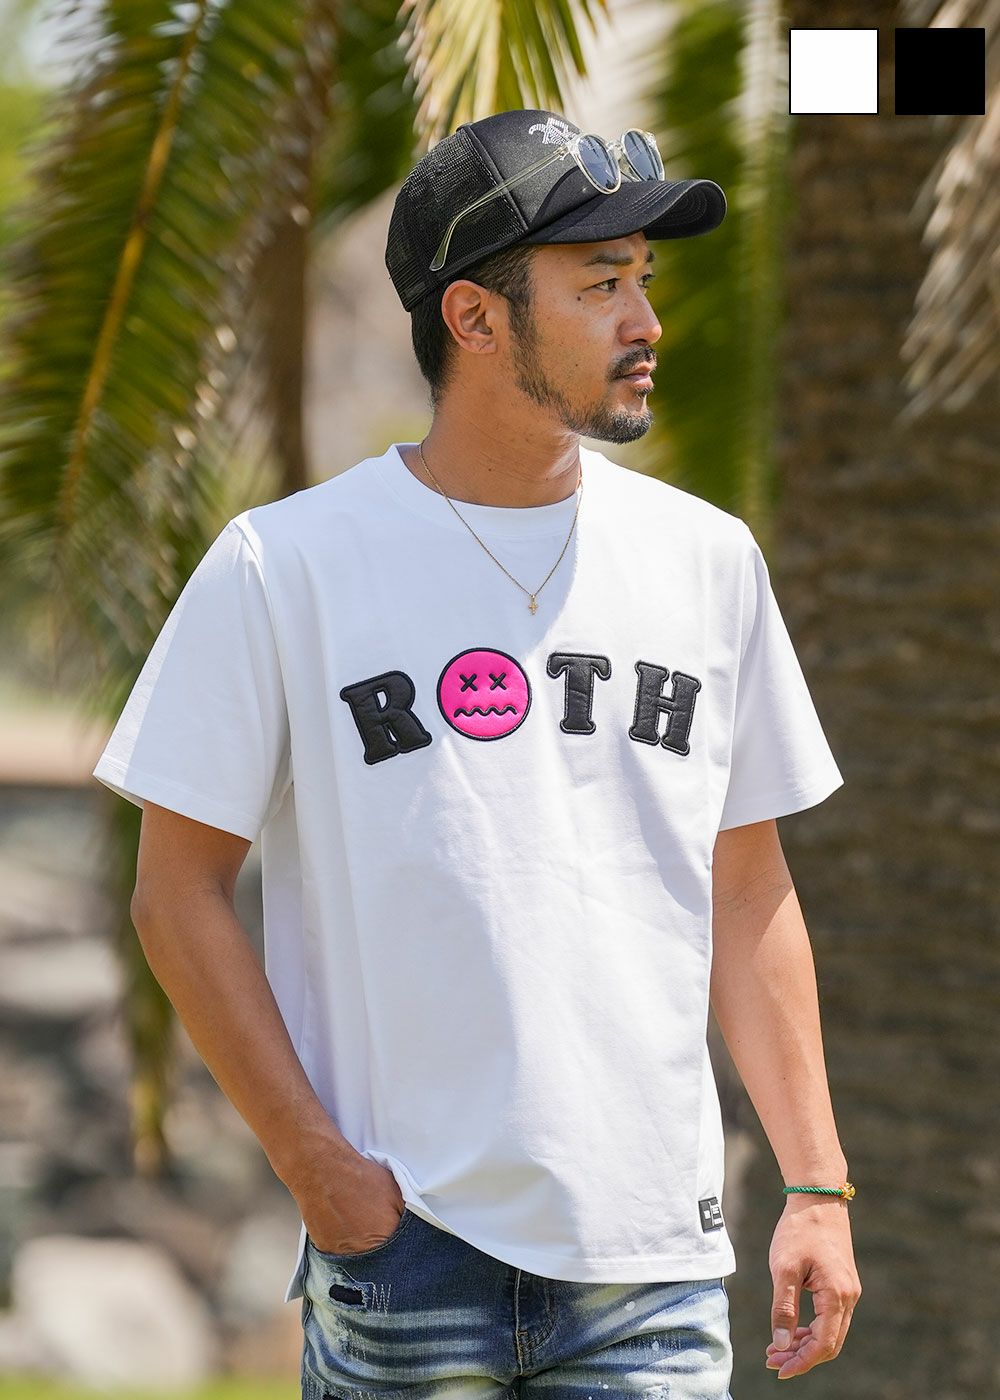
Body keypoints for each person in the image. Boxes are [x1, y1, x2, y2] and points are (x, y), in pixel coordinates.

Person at [92, 108, 861, 1398]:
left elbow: (749, 888)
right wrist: (320, 1174)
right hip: (407, 1251)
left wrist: (818, 1185)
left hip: (652, 1270)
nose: (646, 322)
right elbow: (176, 895)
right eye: (600, 285)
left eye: (643, 280)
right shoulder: (286, 566)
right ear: (475, 317)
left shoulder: (706, 560)